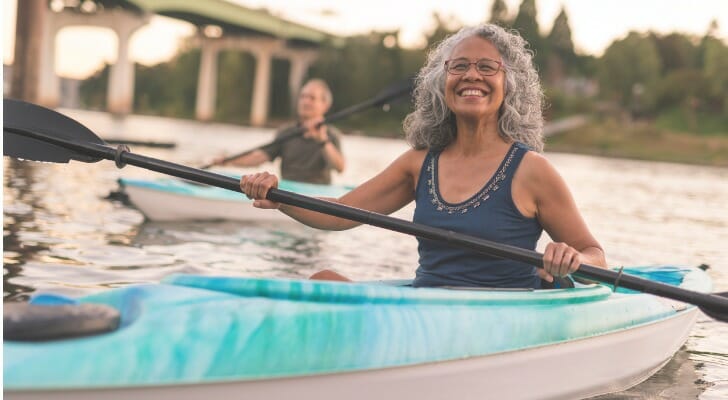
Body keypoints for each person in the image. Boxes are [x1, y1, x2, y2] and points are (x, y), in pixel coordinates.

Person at [240, 24, 607, 288]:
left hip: (499, 315)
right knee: (322, 281)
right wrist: (277, 195)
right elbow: (337, 213)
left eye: (486, 67)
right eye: (459, 66)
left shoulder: (532, 170)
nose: (471, 75)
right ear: (441, 83)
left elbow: (595, 254)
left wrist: (572, 259)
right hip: (427, 310)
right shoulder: (419, 163)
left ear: (509, 84)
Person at [214, 79, 345, 185]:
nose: (305, 101)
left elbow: (340, 168)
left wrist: (322, 140)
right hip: (289, 190)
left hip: (318, 194)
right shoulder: (286, 131)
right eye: (303, 96)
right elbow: (259, 157)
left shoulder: (332, 135)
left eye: (312, 98)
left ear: (325, 105)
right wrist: (228, 161)